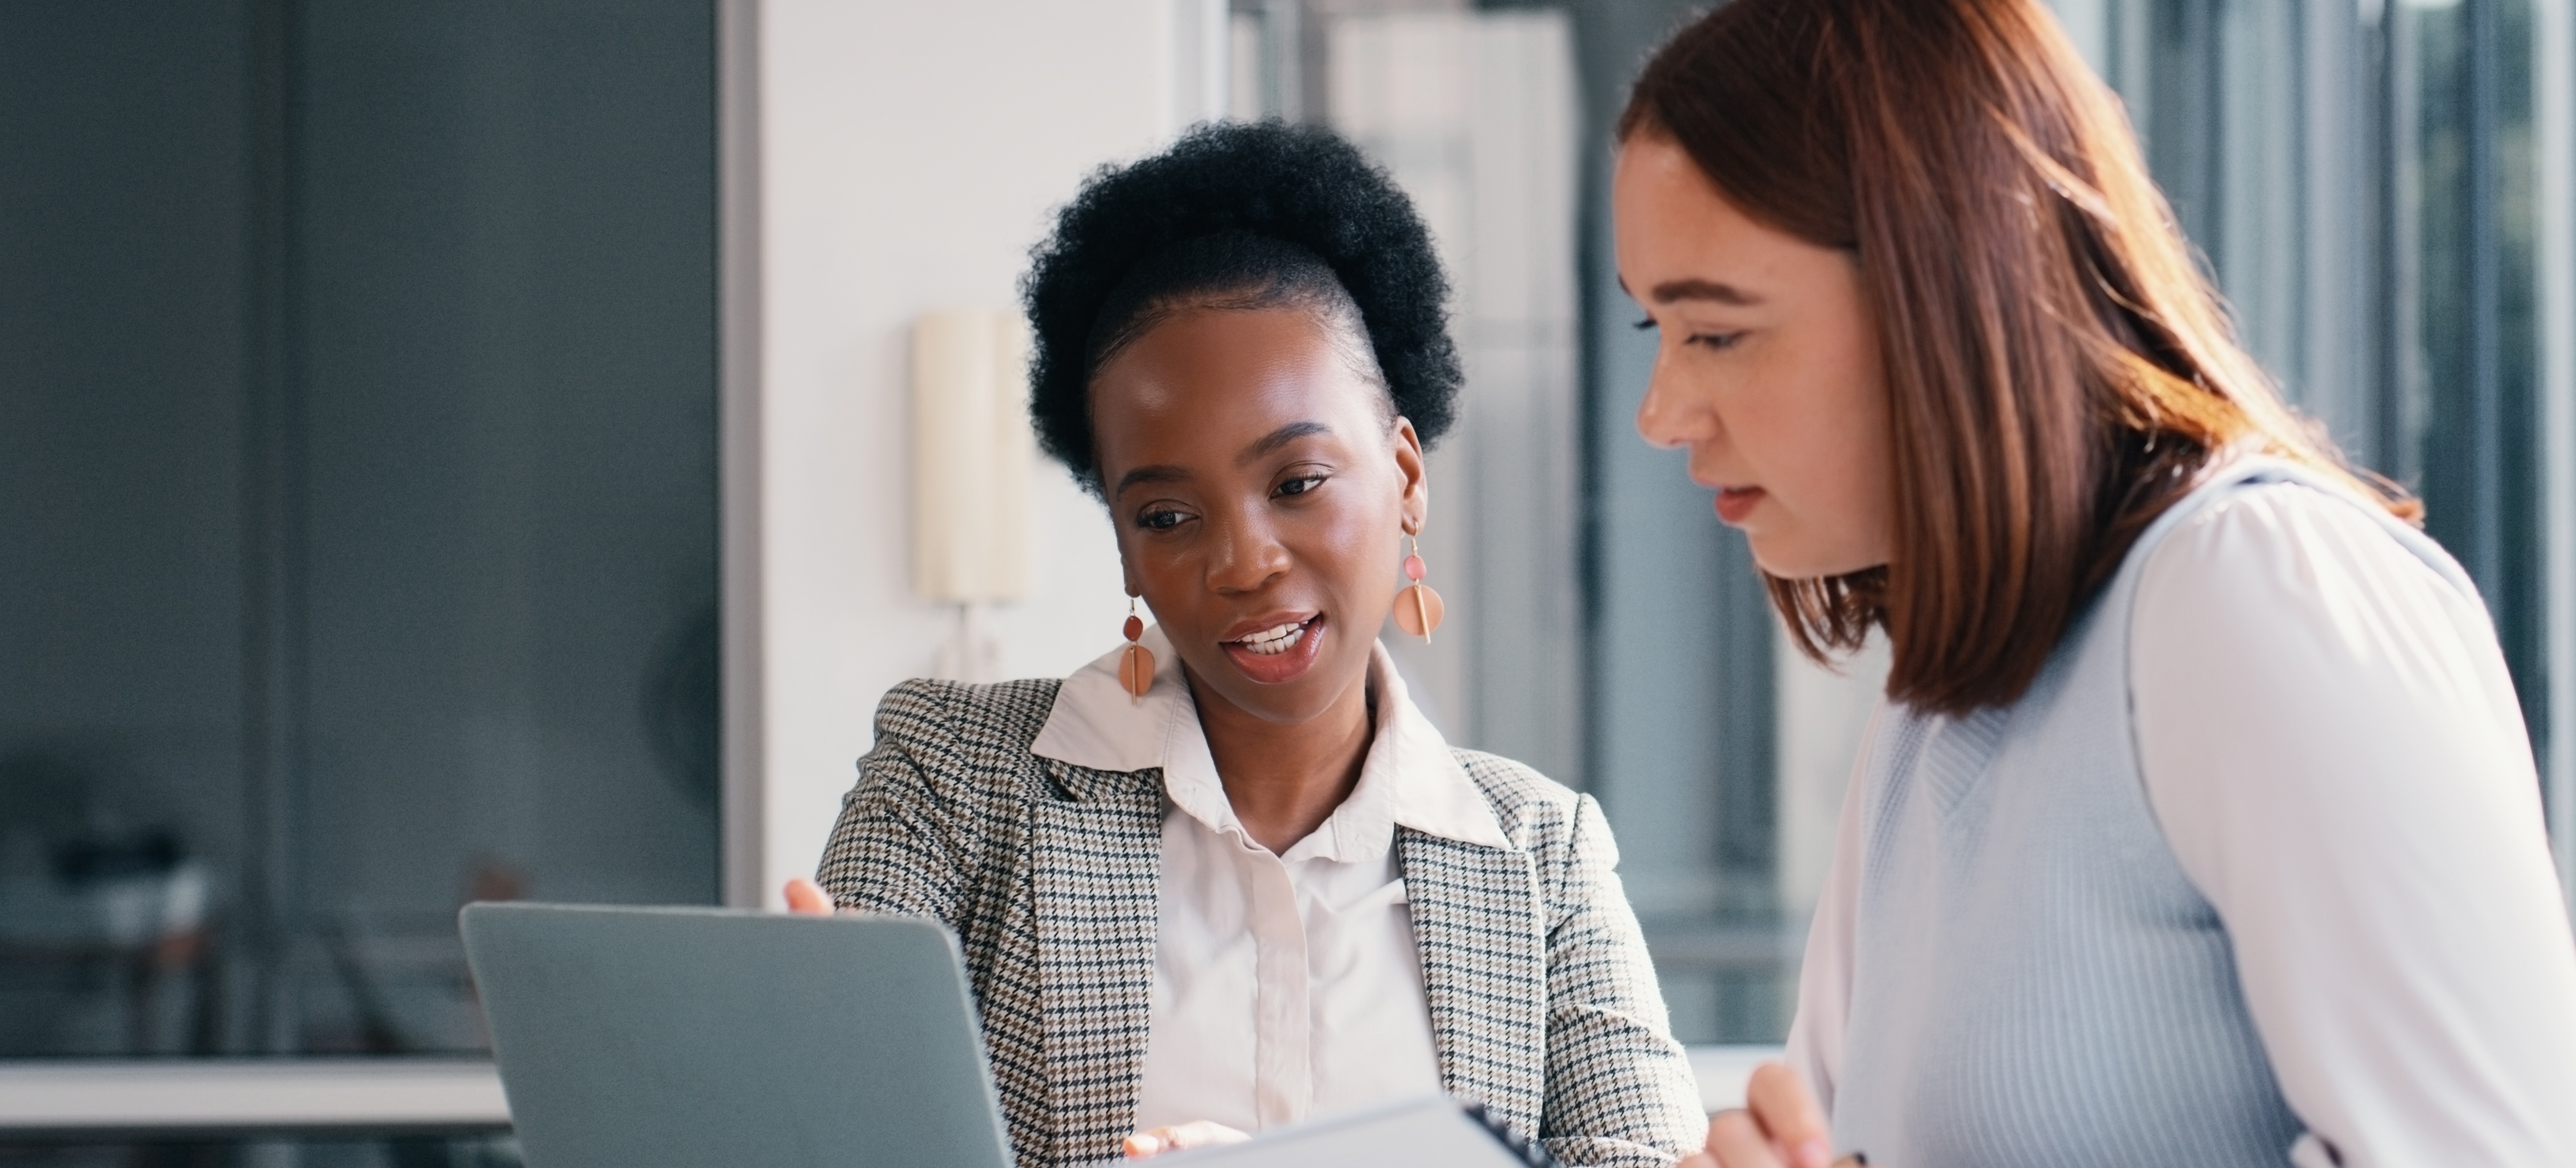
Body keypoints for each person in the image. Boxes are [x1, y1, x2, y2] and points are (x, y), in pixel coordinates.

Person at [1608, 2, 2576, 1166]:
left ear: (1945, 285)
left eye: (1716, 334)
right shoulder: (1935, 711)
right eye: (1654, 329)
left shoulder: (2248, 593)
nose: (1660, 414)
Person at [783, 121, 1703, 1168]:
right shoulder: (953, 777)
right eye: (1168, 517)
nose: (1243, 562)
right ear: (1126, 550)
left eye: (1297, 483)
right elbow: (833, 1123)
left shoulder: (1544, 857)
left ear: (1405, 478)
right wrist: (818, 1083)